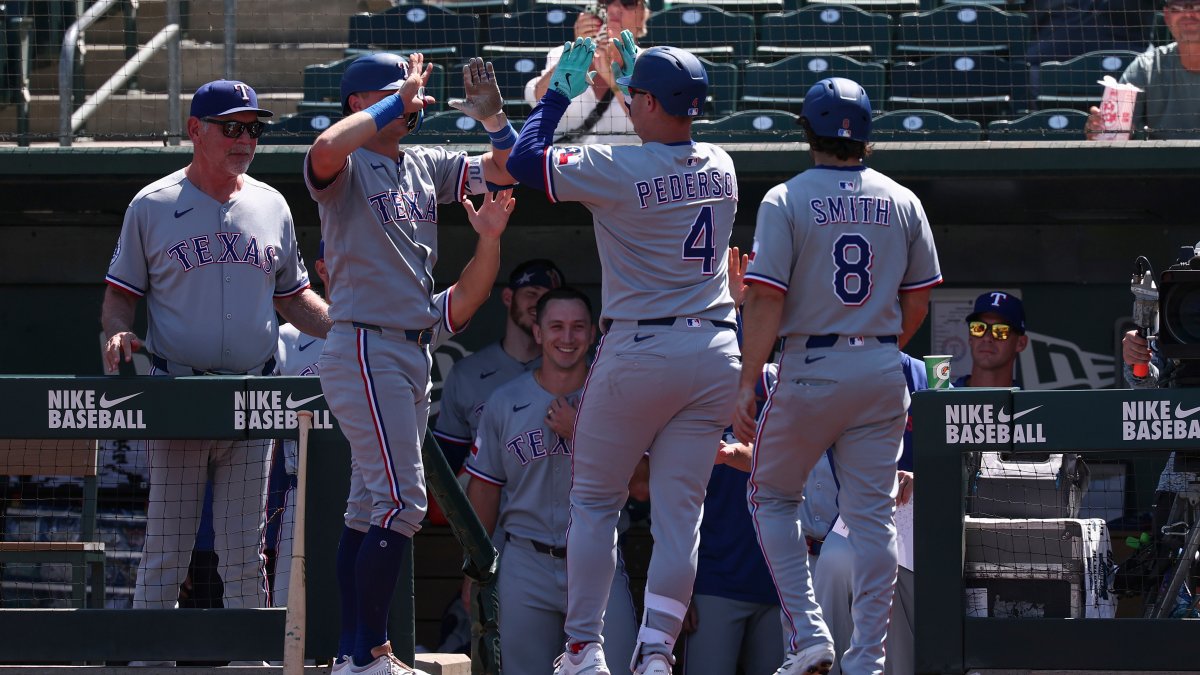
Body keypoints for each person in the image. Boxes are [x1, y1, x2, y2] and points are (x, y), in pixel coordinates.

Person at [507, 38, 742, 675]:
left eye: (637, 94)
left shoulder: (620, 166)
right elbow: (664, 128)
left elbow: (526, 160)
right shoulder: (722, 161)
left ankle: (583, 648)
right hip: (716, 347)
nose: (629, 101)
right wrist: (644, 82)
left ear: (649, 102)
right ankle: (658, 650)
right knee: (679, 517)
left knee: (593, 502)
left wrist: (559, 94)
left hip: (642, 344)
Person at [101, 79, 333, 661]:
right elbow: (119, 297)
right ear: (195, 130)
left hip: (254, 395)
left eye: (253, 128)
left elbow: (294, 299)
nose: (245, 139)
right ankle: (148, 665)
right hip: (181, 396)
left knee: (243, 553)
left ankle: (250, 666)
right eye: (232, 127)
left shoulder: (271, 204)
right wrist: (116, 334)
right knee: (168, 549)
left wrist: (350, 329)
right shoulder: (152, 204)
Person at [305, 50, 520, 675]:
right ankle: (370, 652)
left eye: (414, 92)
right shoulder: (347, 167)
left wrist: (494, 121)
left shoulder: (424, 163)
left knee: (371, 505)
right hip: (365, 342)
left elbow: (505, 171)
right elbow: (322, 150)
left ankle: (354, 653)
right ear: (361, 102)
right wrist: (392, 102)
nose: (417, 100)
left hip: (407, 344)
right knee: (403, 503)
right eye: (400, 92)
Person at [734, 77, 941, 675]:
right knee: (873, 521)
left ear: (808, 131)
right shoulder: (903, 199)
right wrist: (876, 349)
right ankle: (866, 659)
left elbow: (767, 299)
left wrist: (748, 379)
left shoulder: (785, 197)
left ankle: (808, 635)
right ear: (866, 135)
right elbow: (920, 302)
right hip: (879, 366)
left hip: (810, 365)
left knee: (771, 497)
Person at [464, 287, 640, 673]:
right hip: (526, 562)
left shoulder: (616, 399)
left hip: (598, 559)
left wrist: (581, 432)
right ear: (538, 332)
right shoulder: (504, 401)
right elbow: (485, 491)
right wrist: (475, 571)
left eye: (578, 327)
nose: (567, 337)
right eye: (556, 326)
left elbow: (644, 484)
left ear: (593, 333)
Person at [433, 258, 567, 474]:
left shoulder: (579, 373)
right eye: (531, 293)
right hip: (482, 500)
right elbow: (446, 463)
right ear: (508, 297)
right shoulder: (467, 374)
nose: (539, 304)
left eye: (548, 298)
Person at [524, 0, 649, 144]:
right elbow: (539, 100)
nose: (615, 7)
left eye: (629, 2)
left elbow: (650, 126)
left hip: (626, 163)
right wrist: (578, 51)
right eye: (607, 1)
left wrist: (612, 81)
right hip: (566, 161)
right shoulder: (561, 54)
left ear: (642, 15)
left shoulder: (650, 62)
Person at [1086, 0, 1200, 139]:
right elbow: (1115, 139)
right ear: (1167, 16)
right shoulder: (1146, 67)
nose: (1188, 14)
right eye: (1177, 7)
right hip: (1161, 160)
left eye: (1198, 7)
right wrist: (1100, 132)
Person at [952, 291, 1029, 388]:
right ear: (970, 338)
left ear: (1021, 343)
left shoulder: (1028, 402)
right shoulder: (944, 399)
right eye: (979, 328)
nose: (987, 338)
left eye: (1000, 330)